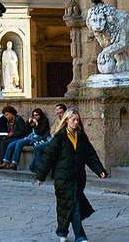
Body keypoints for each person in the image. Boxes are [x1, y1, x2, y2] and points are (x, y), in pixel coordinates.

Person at [36, 109, 107, 242]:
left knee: (67, 206)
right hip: (63, 179)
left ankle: (62, 231)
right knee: (74, 207)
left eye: (77, 120)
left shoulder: (81, 137)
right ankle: (80, 237)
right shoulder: (59, 138)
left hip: (78, 178)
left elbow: (90, 155)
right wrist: (41, 175)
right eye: (73, 120)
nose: (76, 122)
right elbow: (48, 157)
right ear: (66, 120)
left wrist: (99, 169)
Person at [31, 103, 67, 172]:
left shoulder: (67, 121)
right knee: (36, 146)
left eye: (61, 113)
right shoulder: (57, 121)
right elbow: (52, 131)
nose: (60, 115)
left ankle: (41, 169)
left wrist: (55, 135)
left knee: (39, 148)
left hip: (58, 142)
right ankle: (40, 168)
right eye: (58, 113)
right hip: (51, 139)